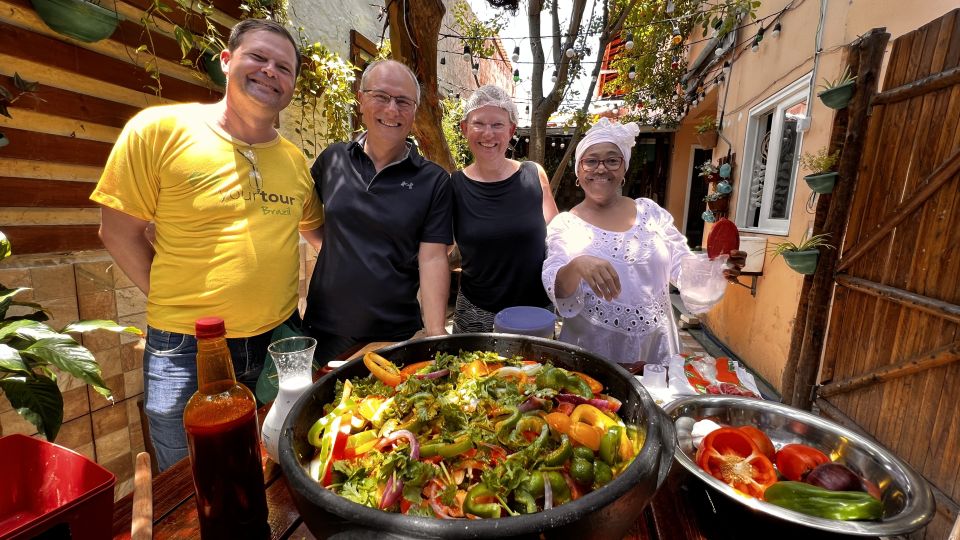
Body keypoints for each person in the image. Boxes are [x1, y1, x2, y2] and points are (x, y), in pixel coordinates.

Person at [90, 19, 324, 471]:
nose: (270, 72)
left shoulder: (294, 161)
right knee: (192, 475)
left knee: (279, 461)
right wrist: (176, 303)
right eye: (258, 57)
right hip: (187, 350)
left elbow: (318, 234)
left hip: (277, 340)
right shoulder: (158, 130)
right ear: (226, 61)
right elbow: (118, 232)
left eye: (284, 67)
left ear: (293, 83)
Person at [542, 118, 745, 370]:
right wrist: (578, 265)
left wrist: (716, 267)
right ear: (579, 171)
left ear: (624, 168)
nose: (601, 169)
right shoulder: (565, 225)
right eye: (591, 161)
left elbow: (682, 265)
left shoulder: (650, 213)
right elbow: (557, 288)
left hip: (656, 350)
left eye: (612, 160)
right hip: (593, 355)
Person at [302, 60, 453, 362]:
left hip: (394, 334)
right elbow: (306, 219)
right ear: (361, 100)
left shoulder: (433, 180)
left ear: (414, 112)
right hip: (324, 329)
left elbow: (433, 257)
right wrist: (341, 252)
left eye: (403, 102)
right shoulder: (332, 160)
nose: (392, 110)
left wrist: (435, 333)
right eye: (381, 97)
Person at [450, 85, 559, 333]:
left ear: (511, 130)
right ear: (465, 128)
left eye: (497, 125)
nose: (488, 134)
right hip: (476, 316)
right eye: (479, 124)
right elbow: (437, 251)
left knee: (538, 374)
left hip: (535, 314)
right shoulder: (453, 185)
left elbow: (557, 239)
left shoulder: (534, 175)